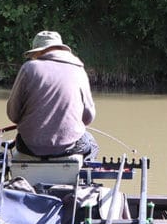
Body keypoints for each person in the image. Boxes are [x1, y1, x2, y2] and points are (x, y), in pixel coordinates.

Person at [6, 31, 99, 160]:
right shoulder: (79, 70)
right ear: (61, 49)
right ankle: (81, 176)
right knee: (91, 142)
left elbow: (13, 114)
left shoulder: (28, 68)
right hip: (69, 147)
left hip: (30, 147)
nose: (33, 57)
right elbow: (88, 117)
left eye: (34, 54)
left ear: (39, 51)